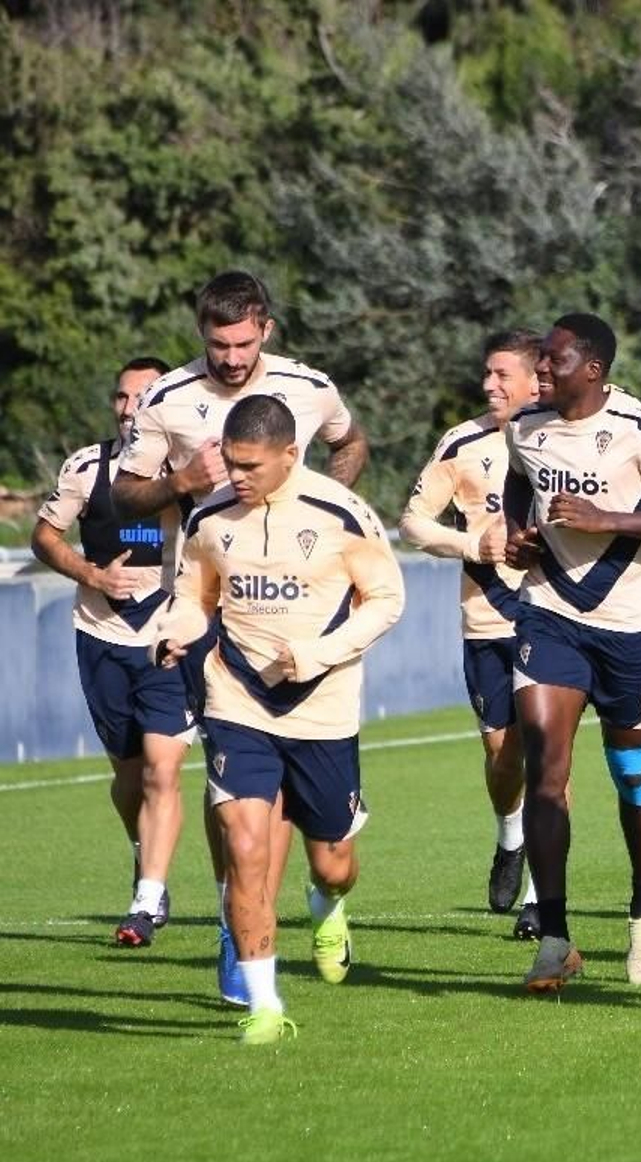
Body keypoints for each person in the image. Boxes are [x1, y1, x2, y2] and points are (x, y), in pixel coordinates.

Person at [113, 269, 370, 1006]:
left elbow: (350, 443)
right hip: (196, 605)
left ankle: (301, 908)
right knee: (227, 785)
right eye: (217, 344)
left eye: (243, 343)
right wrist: (177, 483)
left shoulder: (308, 386)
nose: (230, 358)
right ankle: (241, 932)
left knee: (295, 807)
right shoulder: (168, 399)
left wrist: (335, 508)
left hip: (294, 614)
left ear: (267, 329)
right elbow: (126, 494)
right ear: (202, 334)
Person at [150, 395, 404, 1044]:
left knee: (333, 863)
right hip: (236, 701)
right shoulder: (208, 516)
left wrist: (317, 653)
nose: (236, 476)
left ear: (291, 454)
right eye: (230, 463)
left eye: (251, 465)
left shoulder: (341, 513)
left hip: (322, 710)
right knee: (245, 848)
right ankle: (264, 1005)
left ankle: (329, 909)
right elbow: (194, 597)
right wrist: (174, 632)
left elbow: (386, 600)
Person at [501, 313, 641, 993]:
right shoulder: (524, 427)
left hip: (627, 631)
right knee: (546, 766)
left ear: (592, 370)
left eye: (553, 363)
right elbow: (516, 482)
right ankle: (555, 937)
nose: (541, 374)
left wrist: (607, 520)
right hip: (549, 617)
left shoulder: (640, 430)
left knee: (633, 776)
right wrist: (515, 533)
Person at [32, 357, 193, 946]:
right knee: (128, 780)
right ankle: (142, 850)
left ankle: (147, 901)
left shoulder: (190, 476)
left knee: (162, 768)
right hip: (100, 638)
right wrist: (92, 574)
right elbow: (45, 536)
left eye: (144, 398)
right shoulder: (86, 468)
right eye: (122, 398)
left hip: (167, 642)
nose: (131, 410)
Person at [400, 329, 540, 934]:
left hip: (552, 617)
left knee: (548, 754)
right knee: (501, 754)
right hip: (485, 621)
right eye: (487, 373)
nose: (490, 384)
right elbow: (411, 522)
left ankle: (541, 896)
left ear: (538, 379)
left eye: (503, 374)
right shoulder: (461, 443)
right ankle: (511, 834)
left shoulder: (566, 437)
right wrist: (470, 543)